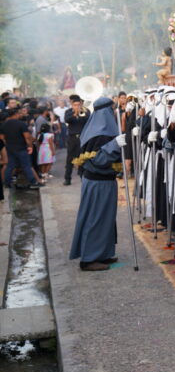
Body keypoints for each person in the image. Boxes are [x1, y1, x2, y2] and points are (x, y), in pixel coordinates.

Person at [68, 97, 127, 271]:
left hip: (105, 181)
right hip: (97, 182)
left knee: (107, 219)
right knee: (95, 218)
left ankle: (102, 253)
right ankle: (89, 258)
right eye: (110, 110)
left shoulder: (101, 130)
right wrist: (114, 145)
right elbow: (99, 160)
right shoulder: (97, 134)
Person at [2, 103, 43, 189]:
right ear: (16, 114)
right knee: (26, 165)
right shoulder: (21, 124)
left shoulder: (4, 125)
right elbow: (27, 137)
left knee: (10, 165)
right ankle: (33, 182)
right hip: (21, 148)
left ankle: (7, 182)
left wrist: (8, 143)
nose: (20, 115)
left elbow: (2, 137)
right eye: (19, 113)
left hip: (10, 148)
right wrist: (30, 147)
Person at [64, 95, 90, 185]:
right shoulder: (68, 112)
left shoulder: (86, 111)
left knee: (82, 157)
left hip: (82, 138)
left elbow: (88, 120)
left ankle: (83, 176)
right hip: (72, 138)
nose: (77, 107)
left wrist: (81, 114)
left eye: (78, 105)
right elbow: (67, 120)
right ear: (72, 105)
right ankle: (67, 178)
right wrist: (75, 114)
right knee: (70, 159)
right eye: (75, 105)